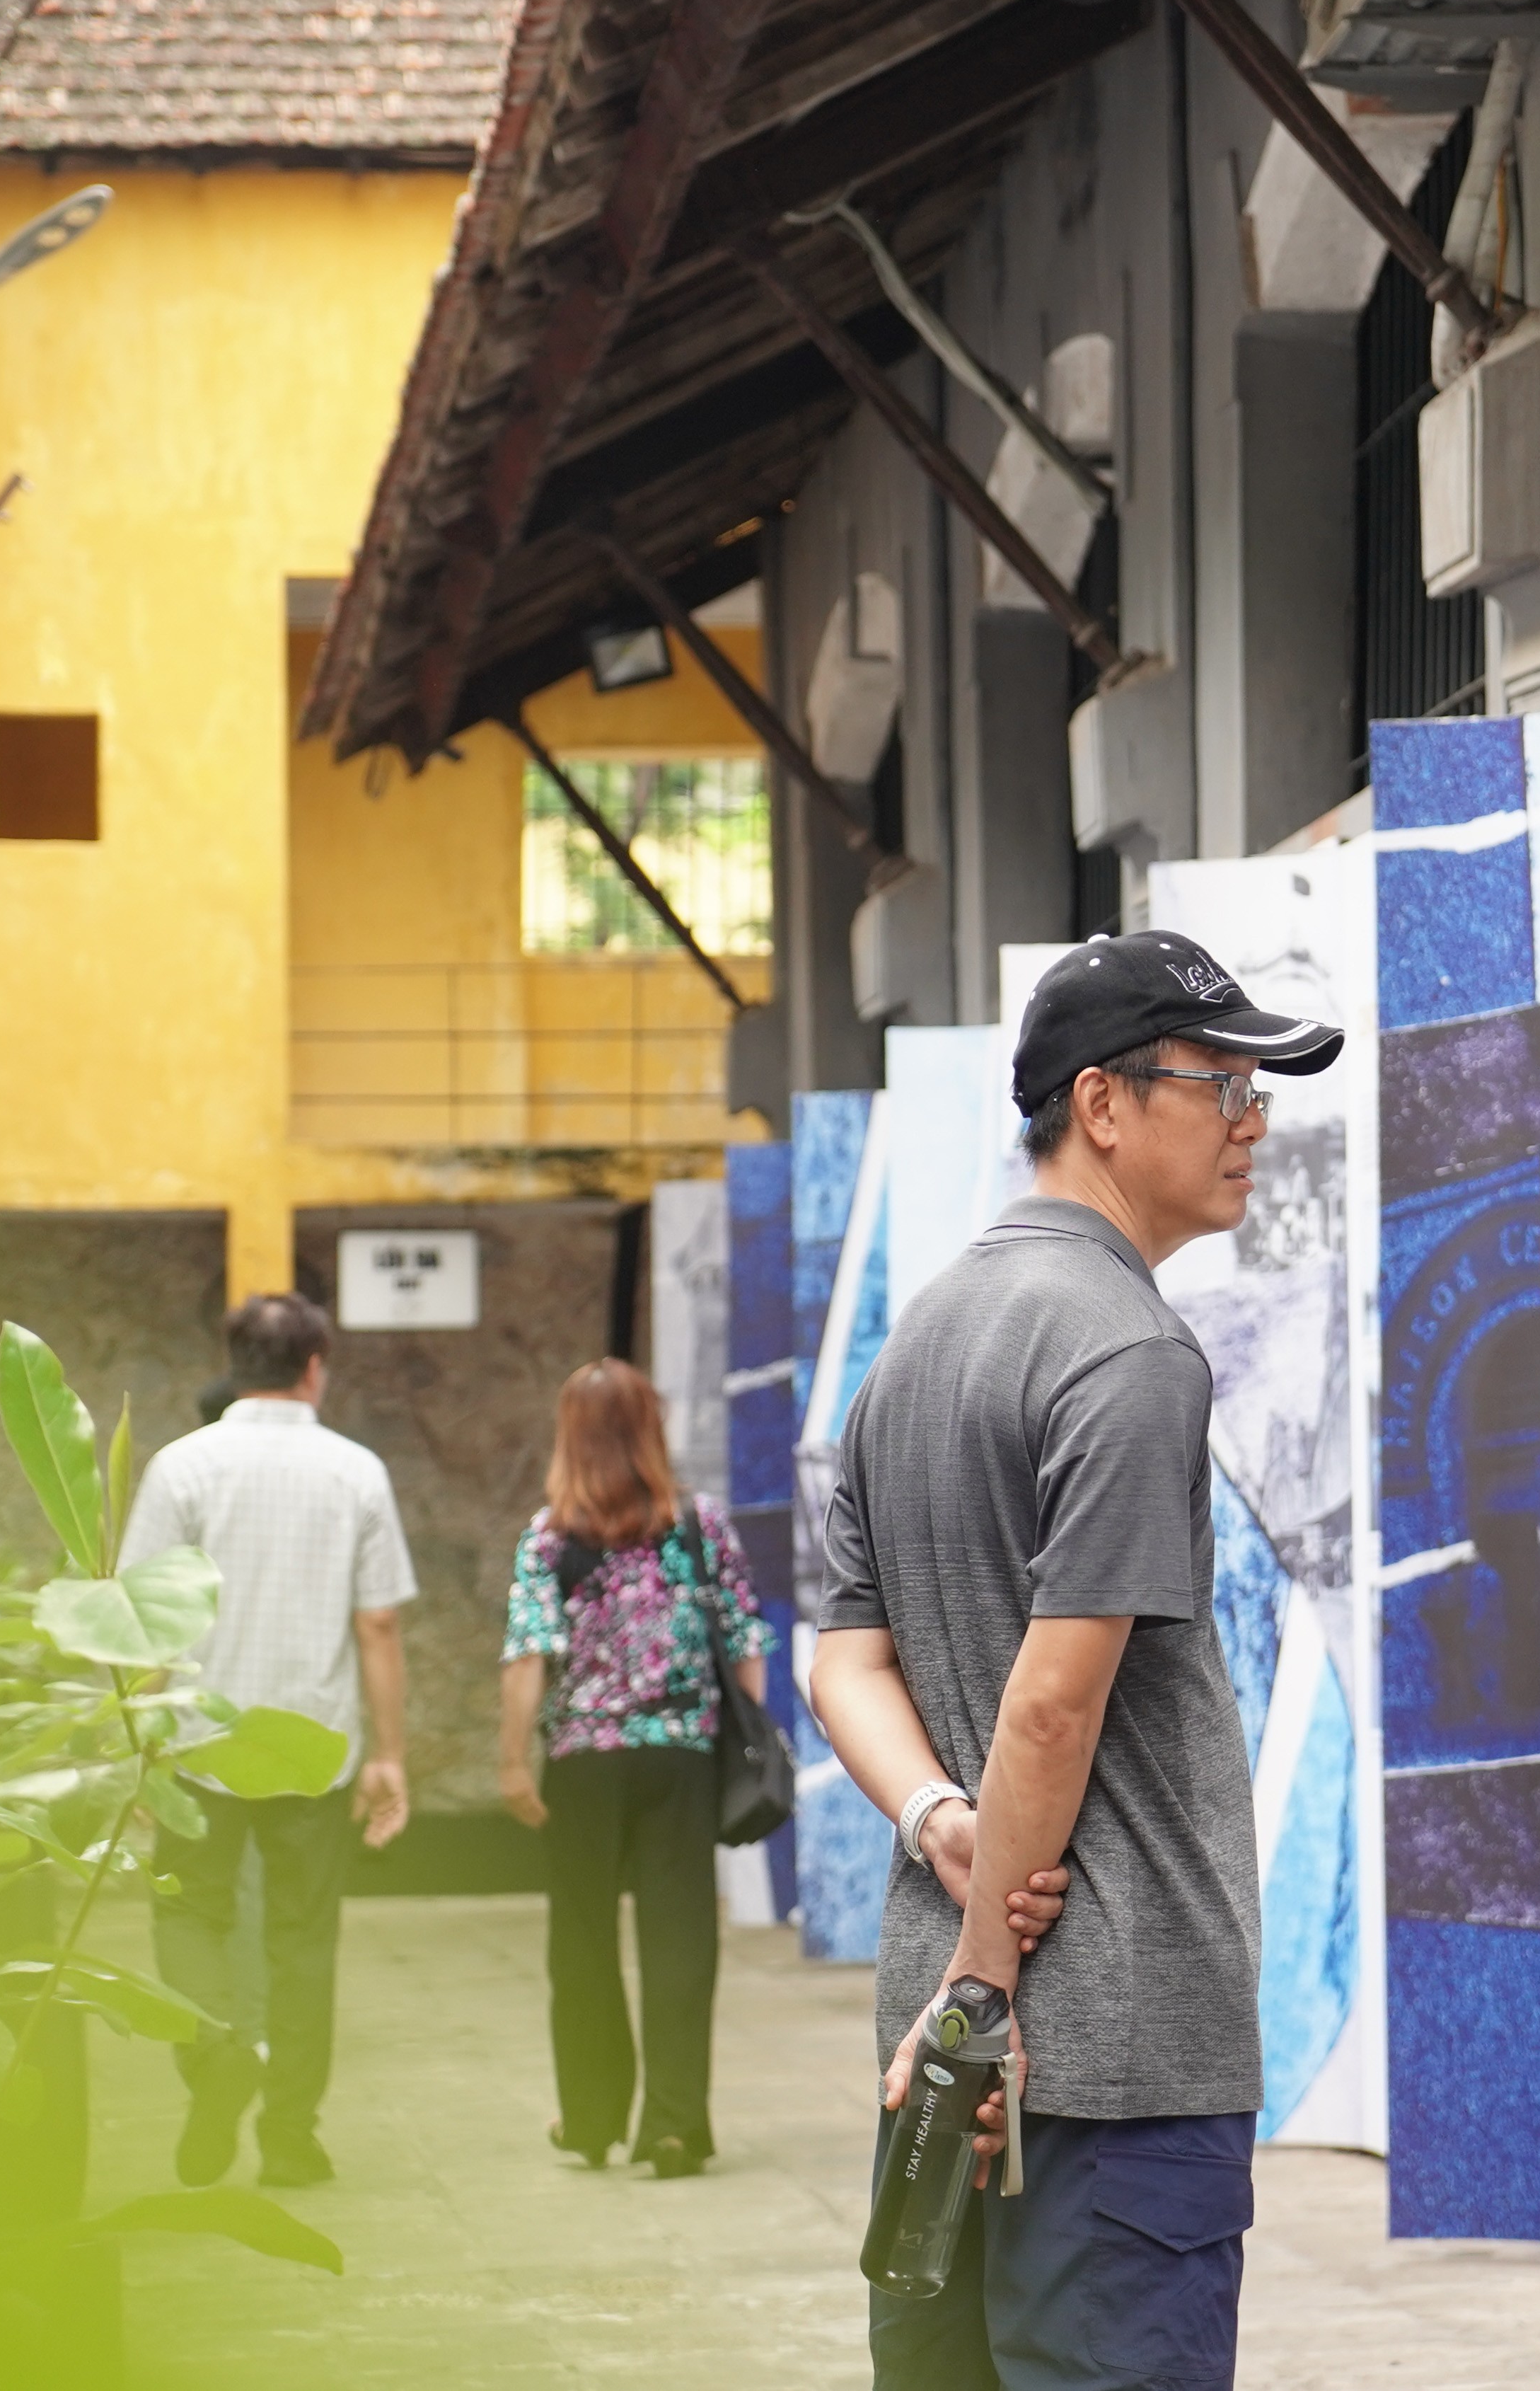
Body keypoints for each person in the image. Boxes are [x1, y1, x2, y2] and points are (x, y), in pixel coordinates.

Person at [810, 929, 1343, 2391]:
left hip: (939, 2054)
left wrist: (933, 1822)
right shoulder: (1126, 1350)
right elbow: (1051, 1701)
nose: (1252, 1123)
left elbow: (840, 1660)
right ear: (1100, 1103)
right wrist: (985, 1994)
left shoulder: (918, 1340)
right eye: (1221, 1086)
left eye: (1257, 1092)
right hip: (1098, 2066)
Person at [121, 1292, 416, 2190]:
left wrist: (137, 1746)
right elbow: (377, 1628)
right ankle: (291, 2136)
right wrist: (388, 1757)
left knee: (186, 1916)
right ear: (315, 1365)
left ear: (234, 1358)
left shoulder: (181, 1468)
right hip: (311, 1750)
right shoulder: (356, 1472)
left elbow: (143, 1622)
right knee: (301, 1942)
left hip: (197, 1746)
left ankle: (214, 2061)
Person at [499, 1358, 781, 2178]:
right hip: (680, 1757)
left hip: (584, 1758)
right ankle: (672, 2125)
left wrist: (513, 1762)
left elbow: (528, 1659)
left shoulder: (549, 1537)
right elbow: (745, 1643)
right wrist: (743, 1739)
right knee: (680, 1936)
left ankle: (589, 2120)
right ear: (650, 1429)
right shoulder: (697, 1526)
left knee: (580, 1942)